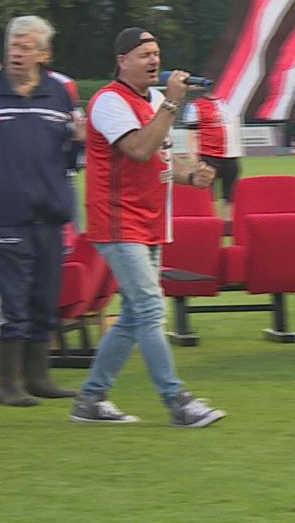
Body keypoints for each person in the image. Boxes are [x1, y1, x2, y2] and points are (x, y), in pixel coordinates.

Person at [70, 26, 225, 427]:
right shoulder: (109, 101)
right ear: (122, 62)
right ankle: (177, 401)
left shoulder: (155, 100)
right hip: (117, 221)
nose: (154, 60)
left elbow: (160, 156)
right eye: (144, 54)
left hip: (150, 221)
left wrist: (191, 176)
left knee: (133, 315)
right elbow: (138, 149)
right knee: (151, 308)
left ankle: (90, 398)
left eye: (156, 53)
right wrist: (172, 104)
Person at [0, 16, 82, 407]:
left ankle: (38, 377)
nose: (16, 53)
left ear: (43, 53)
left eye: (25, 47)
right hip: (6, 214)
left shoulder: (60, 94)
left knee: (44, 299)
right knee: (13, 301)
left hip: (50, 214)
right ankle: (7, 384)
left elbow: (71, 162)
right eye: (12, 45)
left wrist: (78, 143)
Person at [183, 89, 243, 222]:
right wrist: (193, 156)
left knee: (230, 192)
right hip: (208, 155)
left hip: (231, 155)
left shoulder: (230, 102)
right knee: (208, 192)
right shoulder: (195, 106)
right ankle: (212, 220)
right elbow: (191, 133)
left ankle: (227, 222)